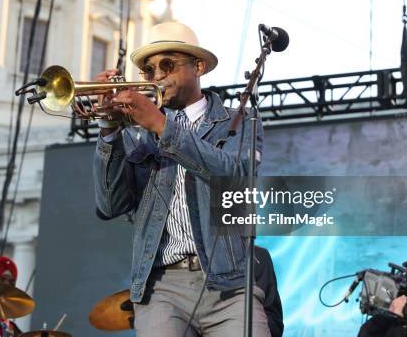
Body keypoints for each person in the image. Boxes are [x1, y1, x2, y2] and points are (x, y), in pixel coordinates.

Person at [93, 21, 272, 336]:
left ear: (198, 67)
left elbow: (236, 178)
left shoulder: (238, 122)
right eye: (148, 71)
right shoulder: (139, 136)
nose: (157, 75)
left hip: (229, 283)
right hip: (161, 286)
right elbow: (110, 205)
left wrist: (163, 126)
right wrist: (109, 130)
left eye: (167, 64)